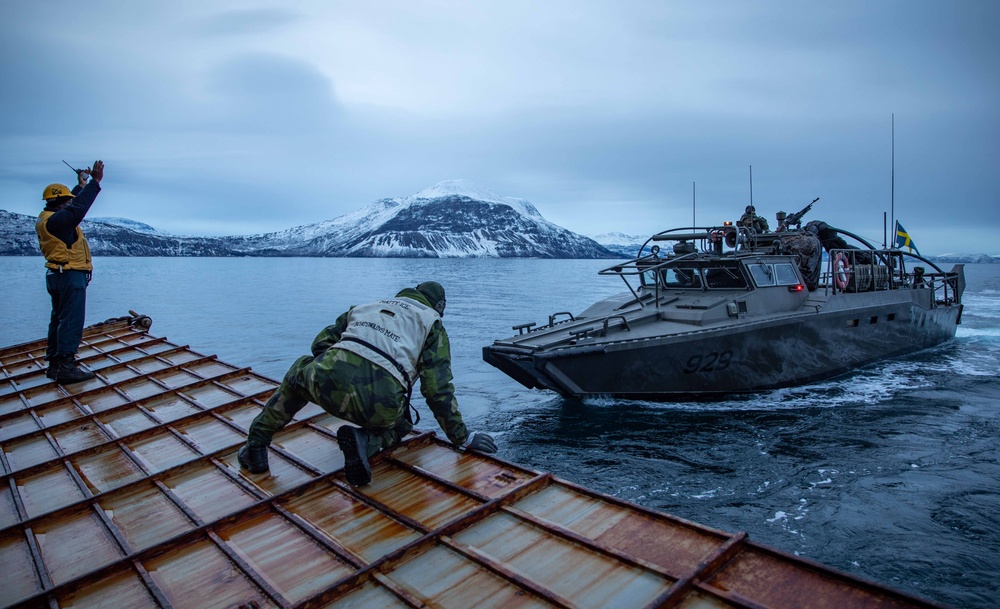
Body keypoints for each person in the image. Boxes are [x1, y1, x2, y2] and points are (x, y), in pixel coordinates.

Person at [238, 281, 497, 486]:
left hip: (323, 383)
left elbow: (319, 344)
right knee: (402, 423)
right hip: (379, 407)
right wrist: (462, 437)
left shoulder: (365, 306)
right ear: (439, 306)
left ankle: (256, 447)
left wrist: (339, 372)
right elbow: (437, 389)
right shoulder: (432, 325)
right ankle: (365, 442)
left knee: (299, 371)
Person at [36, 160, 105, 384]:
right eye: (67, 200)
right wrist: (94, 183)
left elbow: (71, 205)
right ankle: (65, 366)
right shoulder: (59, 221)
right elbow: (76, 209)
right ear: (60, 203)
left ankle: (55, 365)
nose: (70, 203)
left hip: (58, 275)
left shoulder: (48, 218)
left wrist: (80, 185)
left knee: (59, 319)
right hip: (69, 275)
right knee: (71, 321)